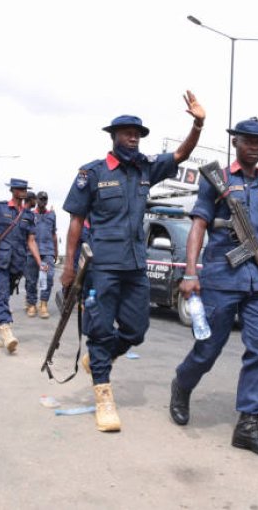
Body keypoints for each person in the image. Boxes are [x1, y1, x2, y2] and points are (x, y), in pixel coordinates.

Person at [61, 90, 205, 432]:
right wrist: (68, 267)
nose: (134, 138)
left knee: (136, 331)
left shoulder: (145, 169)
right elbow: (76, 223)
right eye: (127, 133)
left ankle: (102, 356)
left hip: (136, 266)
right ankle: (104, 395)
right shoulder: (92, 173)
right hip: (103, 267)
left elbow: (181, 154)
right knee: (98, 330)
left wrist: (198, 124)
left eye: (138, 134)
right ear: (113, 137)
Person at [169, 117, 258, 459]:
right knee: (208, 350)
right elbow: (198, 226)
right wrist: (191, 273)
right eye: (249, 140)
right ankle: (182, 384)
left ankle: (248, 425)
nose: (255, 146)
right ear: (236, 142)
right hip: (222, 276)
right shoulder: (216, 180)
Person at [0, 178, 43, 354]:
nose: (23, 191)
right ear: (13, 190)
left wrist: (40, 262)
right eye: (19, 188)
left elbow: (31, 241)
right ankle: (6, 331)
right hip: (0, 260)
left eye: (25, 188)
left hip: (17, 262)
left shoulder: (29, 215)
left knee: (4, 295)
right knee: (2, 296)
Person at [24, 191, 58, 318]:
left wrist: (56, 251)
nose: (43, 201)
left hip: (48, 252)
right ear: (37, 200)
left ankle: (43, 304)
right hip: (32, 252)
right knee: (31, 280)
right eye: (41, 199)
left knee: (48, 278)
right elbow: (26, 235)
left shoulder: (52, 215)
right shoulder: (31, 215)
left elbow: (54, 234)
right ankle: (31, 304)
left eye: (45, 199)